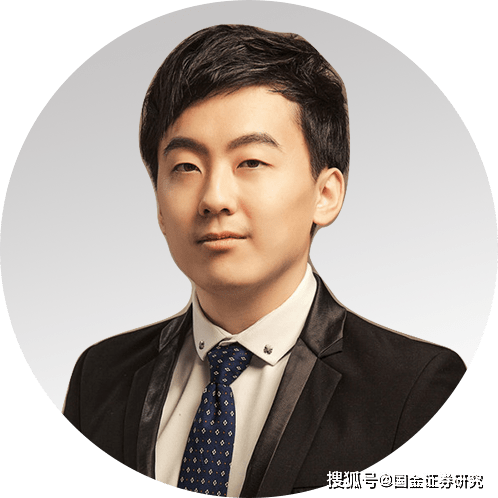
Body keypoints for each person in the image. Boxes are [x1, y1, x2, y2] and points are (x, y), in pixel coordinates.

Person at [63, 25, 466, 497]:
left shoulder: (414, 390)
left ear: (325, 194)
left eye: (250, 162)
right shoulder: (99, 378)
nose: (214, 198)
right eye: (186, 167)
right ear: (159, 206)